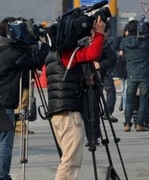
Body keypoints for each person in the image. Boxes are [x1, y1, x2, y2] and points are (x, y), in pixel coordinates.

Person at [45, 14, 106, 180]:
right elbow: (92, 54)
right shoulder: (68, 54)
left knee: (68, 156)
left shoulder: (53, 54)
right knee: (71, 160)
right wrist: (99, 34)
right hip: (68, 112)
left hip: (58, 111)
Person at [0, 18, 49, 180]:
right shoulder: (11, 52)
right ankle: (2, 175)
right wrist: (45, 45)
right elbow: (35, 62)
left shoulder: (5, 49)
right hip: (4, 102)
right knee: (5, 142)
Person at [119, 19, 149, 132]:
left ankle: (127, 124)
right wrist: (146, 37)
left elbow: (122, 53)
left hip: (131, 74)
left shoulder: (124, 41)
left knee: (130, 100)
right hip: (144, 74)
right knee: (143, 100)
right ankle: (139, 124)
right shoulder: (144, 41)